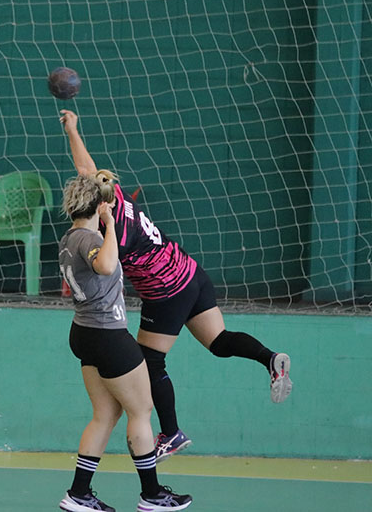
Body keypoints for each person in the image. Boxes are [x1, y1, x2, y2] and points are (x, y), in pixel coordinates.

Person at [60, 109, 293, 462]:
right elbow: (86, 167)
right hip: (191, 272)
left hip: (166, 291)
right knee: (219, 341)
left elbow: (106, 267)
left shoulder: (113, 234)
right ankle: (270, 359)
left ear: (98, 206)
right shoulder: (115, 193)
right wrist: (73, 130)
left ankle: (171, 433)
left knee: (150, 360)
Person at [58, 174, 191, 512]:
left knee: (104, 415)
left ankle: (78, 493)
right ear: (99, 206)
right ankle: (152, 494)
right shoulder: (89, 237)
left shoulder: (68, 237)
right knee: (141, 411)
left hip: (85, 333)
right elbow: (105, 265)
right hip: (107, 335)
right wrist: (111, 226)